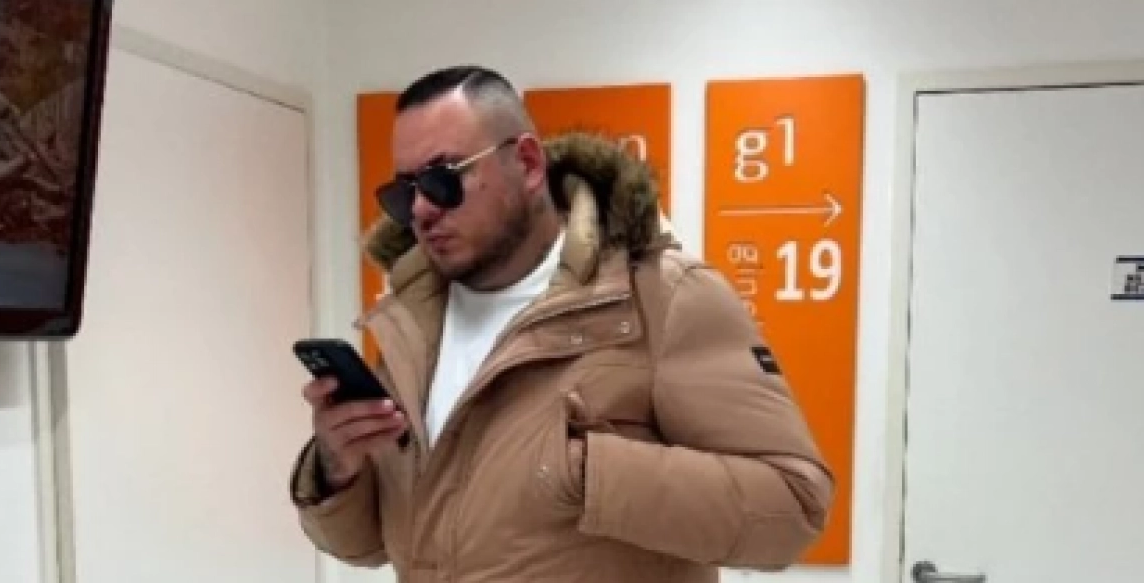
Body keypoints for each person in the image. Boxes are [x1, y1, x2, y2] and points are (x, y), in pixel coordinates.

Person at [290, 65, 834, 582]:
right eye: (404, 193)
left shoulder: (663, 297)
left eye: (441, 180)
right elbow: (368, 545)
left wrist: (583, 471)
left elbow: (793, 507)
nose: (421, 211)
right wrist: (338, 467)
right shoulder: (413, 320)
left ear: (528, 164)